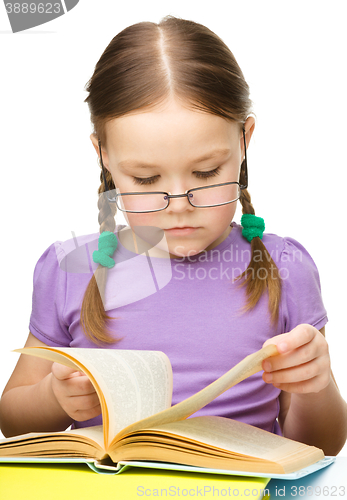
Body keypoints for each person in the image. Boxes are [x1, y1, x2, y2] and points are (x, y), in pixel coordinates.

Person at [0, 15, 346, 456]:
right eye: (146, 179)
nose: (179, 204)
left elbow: (323, 444)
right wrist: (53, 396)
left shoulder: (282, 267)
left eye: (206, 172)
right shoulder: (69, 269)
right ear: (104, 156)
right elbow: (11, 420)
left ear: (244, 142)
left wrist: (315, 385)